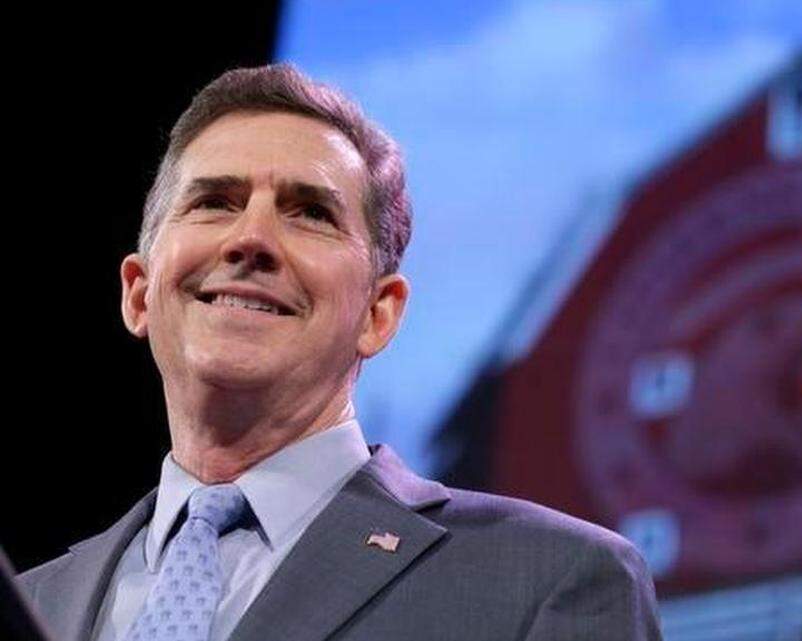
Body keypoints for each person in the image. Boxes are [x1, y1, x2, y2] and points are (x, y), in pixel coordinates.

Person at [16, 64, 661, 641]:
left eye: (309, 214)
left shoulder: (550, 580)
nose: (252, 239)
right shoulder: (37, 600)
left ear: (378, 314)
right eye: (214, 202)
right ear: (138, 294)